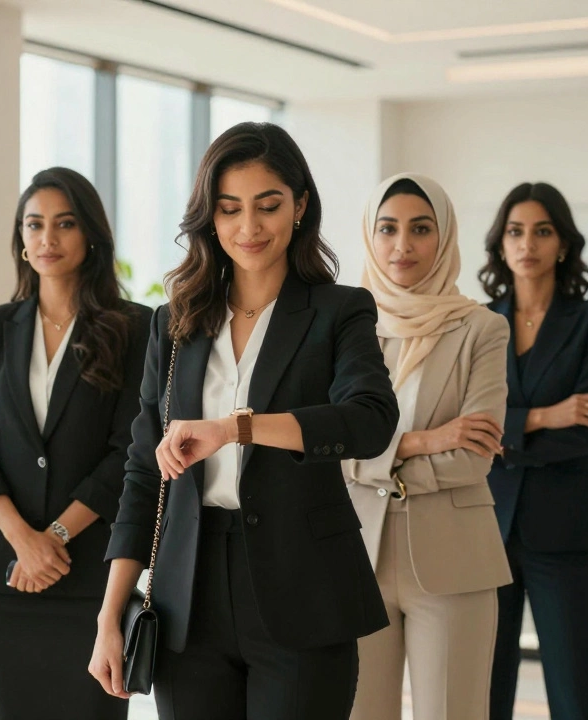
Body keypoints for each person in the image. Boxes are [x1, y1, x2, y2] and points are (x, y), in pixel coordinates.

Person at [88, 122, 399, 720]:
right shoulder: (174, 322)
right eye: (230, 209)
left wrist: (237, 428)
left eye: (268, 205)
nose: (249, 228)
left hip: (302, 589)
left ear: (301, 205)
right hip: (188, 596)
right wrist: (109, 616)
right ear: (210, 217)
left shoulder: (338, 311)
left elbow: (369, 421)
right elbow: (141, 472)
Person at [0, 167, 151, 719]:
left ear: (90, 234)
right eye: (34, 224)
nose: (47, 238)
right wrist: (23, 540)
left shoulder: (134, 326)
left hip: (92, 575)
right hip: (6, 576)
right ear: (20, 238)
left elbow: (129, 452)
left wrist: (56, 536)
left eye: (64, 224)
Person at [345, 172, 512, 720]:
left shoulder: (481, 329)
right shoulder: (344, 326)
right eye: (387, 228)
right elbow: (322, 448)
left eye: (420, 229)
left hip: (453, 558)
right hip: (353, 555)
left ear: (444, 239)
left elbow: (473, 456)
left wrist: (373, 463)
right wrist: (420, 442)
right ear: (370, 236)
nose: (402, 245)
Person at [481, 182, 588, 720]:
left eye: (542, 231)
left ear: (562, 243)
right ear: (500, 244)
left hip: (567, 533)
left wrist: (504, 434)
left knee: (580, 691)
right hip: (484, 527)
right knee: (483, 689)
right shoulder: (478, 323)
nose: (528, 243)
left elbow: (584, 429)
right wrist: (542, 416)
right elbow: (464, 425)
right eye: (515, 231)